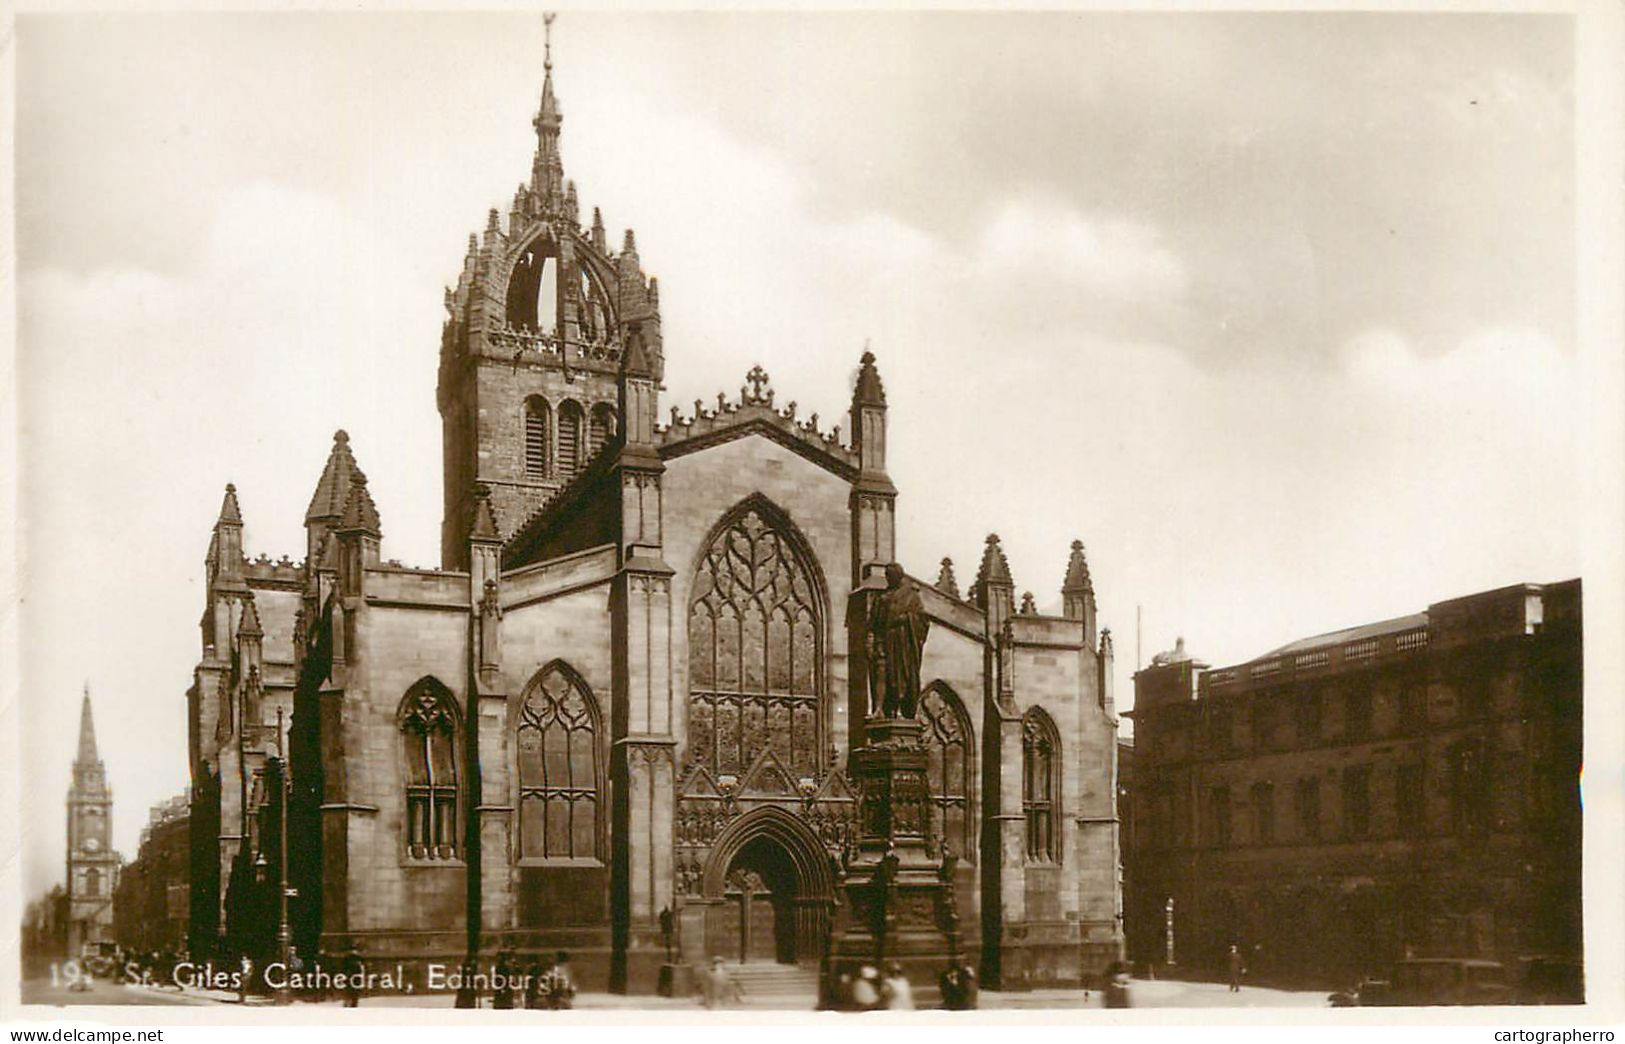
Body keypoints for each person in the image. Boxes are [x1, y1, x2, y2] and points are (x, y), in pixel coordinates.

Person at [867, 562, 931, 718]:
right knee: (881, 672)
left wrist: (906, 619)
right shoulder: (881, 597)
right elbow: (873, 623)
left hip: (902, 643)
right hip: (884, 640)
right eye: (887, 576)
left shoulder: (911, 595)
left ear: (899, 576)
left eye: (891, 576)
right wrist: (871, 641)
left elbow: (923, 620)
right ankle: (879, 709)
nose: (888, 579)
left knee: (901, 677)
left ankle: (901, 710)